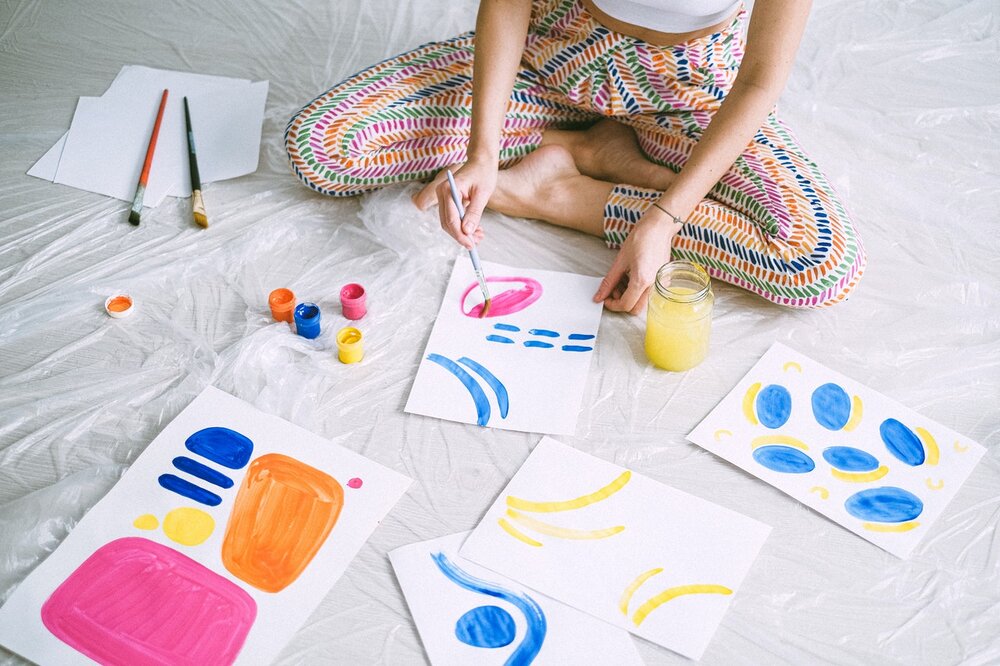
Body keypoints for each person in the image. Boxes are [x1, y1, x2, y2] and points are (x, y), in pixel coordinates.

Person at [285, 0, 866, 312]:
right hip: (550, 61)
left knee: (813, 261)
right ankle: (587, 148)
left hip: (686, 93)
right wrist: (482, 152)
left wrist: (662, 221)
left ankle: (559, 191)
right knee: (325, 147)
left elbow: (760, 81)